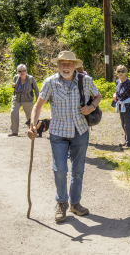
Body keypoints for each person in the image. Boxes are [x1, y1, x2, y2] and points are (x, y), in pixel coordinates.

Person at [28, 51, 102, 223]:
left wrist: (91, 107)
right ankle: (61, 203)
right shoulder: (50, 82)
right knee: (60, 169)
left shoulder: (86, 81)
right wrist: (33, 125)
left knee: (78, 170)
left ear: (75, 65)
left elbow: (98, 96)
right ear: (58, 65)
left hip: (80, 131)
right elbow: (38, 106)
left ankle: (75, 203)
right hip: (58, 132)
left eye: (69, 64)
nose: (66, 67)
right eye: (62, 64)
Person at [112, 65, 130, 149]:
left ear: (125, 72)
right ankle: (127, 140)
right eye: (118, 71)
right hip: (121, 107)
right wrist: (114, 94)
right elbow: (117, 91)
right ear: (116, 72)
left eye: (122, 71)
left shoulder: (129, 83)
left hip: (129, 107)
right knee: (123, 124)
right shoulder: (117, 82)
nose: (120, 73)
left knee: (128, 126)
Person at [9, 64, 39, 137]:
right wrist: (13, 85)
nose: (22, 72)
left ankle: (33, 131)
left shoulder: (31, 79)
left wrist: (38, 100)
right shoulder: (15, 77)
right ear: (17, 72)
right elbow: (14, 87)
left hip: (27, 100)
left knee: (30, 116)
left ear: (26, 71)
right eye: (20, 71)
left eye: (24, 71)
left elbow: (36, 89)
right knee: (13, 113)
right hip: (16, 99)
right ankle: (14, 132)